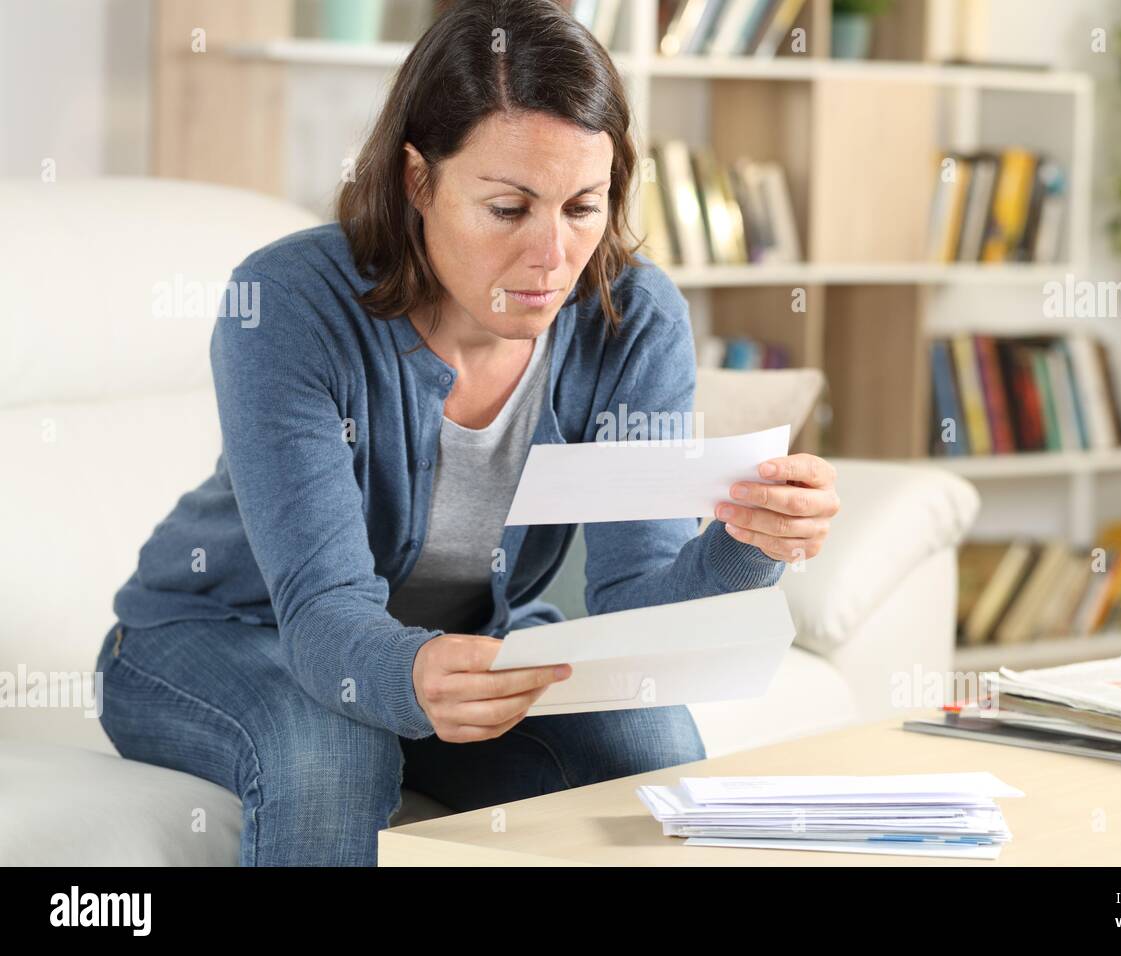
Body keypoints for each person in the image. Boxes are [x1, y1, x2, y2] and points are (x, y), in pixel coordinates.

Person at [95, 0, 840, 866]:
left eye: (581, 207)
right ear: (419, 181)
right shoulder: (289, 303)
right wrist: (408, 677)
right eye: (508, 208)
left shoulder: (630, 318)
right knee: (334, 751)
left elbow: (636, 608)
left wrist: (751, 544)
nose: (552, 256)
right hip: (221, 636)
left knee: (650, 752)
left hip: (465, 649)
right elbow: (322, 611)